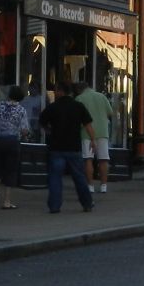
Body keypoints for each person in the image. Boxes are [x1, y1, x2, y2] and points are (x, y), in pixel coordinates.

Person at [38, 84, 96, 213]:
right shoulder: (78, 106)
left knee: (55, 177)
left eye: (56, 90)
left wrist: (49, 131)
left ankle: (54, 206)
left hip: (56, 147)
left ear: (60, 91)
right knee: (79, 177)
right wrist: (93, 140)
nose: (54, 92)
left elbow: (42, 121)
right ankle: (87, 203)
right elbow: (88, 124)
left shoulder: (53, 107)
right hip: (74, 147)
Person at [0, 84, 30, 210]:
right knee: (11, 170)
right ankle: (7, 201)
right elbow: (24, 130)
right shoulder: (21, 110)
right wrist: (26, 135)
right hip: (12, 141)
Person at [74, 81, 114, 194]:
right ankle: (103, 185)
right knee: (103, 159)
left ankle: (90, 185)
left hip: (86, 131)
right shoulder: (102, 96)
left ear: (79, 90)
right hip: (102, 131)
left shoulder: (79, 98)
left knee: (88, 159)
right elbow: (110, 112)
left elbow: (76, 117)